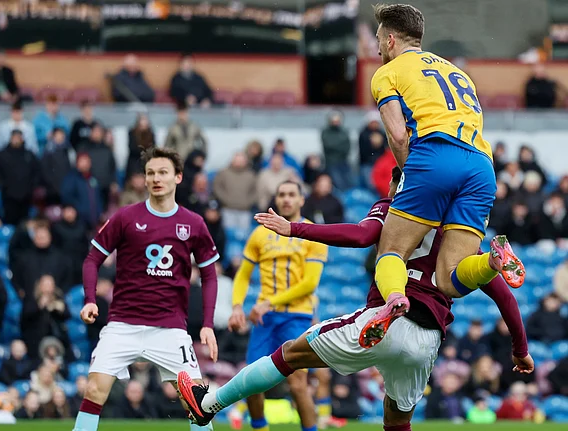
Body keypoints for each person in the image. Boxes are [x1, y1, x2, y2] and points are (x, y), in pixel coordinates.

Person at [178, 167, 535, 431]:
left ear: (400, 184)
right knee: (397, 421)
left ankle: (209, 404)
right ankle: (489, 261)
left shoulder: (397, 209)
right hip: (428, 337)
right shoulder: (457, 231)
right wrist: (521, 349)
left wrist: (296, 228)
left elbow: (361, 234)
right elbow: (503, 293)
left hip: (384, 317)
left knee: (289, 355)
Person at [365, 4, 524, 346]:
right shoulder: (457, 72)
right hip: (482, 165)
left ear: (390, 39)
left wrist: (415, 176)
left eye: (378, 39)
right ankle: (493, 260)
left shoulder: (387, 73)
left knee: (390, 252)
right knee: (450, 278)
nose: (377, 47)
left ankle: (394, 300)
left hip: (436, 155)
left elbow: (396, 135)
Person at [72, 147, 220, 431]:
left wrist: (208, 324)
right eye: (150, 173)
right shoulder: (125, 217)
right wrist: (90, 299)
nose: (156, 178)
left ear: (178, 177)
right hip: (122, 325)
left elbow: (209, 275)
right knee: (93, 391)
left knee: (197, 404)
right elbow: (92, 259)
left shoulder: (194, 223)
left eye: (163, 172)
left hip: (170, 328)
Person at [229, 181, 327, 431]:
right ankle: (260, 428)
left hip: (297, 317)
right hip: (265, 320)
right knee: (250, 383)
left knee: (297, 384)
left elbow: (309, 283)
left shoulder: (313, 233)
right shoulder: (260, 233)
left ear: (301, 200)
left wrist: (268, 303)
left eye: (292, 194)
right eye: (281, 194)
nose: (286, 199)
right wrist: (237, 306)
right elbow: (242, 275)